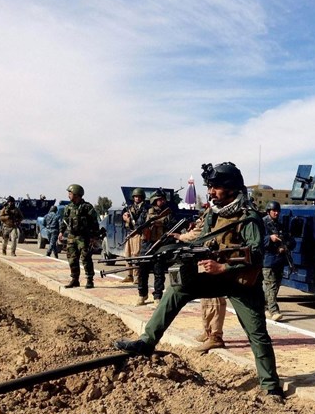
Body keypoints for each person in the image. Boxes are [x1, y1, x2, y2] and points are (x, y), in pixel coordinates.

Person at [114, 162, 285, 400]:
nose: (211, 192)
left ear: (231, 188)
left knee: (256, 332)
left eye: (215, 187)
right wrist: (176, 249)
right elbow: (203, 241)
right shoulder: (214, 213)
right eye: (210, 187)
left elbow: (255, 255)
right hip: (216, 277)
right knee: (177, 289)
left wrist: (223, 266)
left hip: (241, 282)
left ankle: (271, 385)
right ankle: (146, 342)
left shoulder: (248, 217)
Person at [172, 206, 228, 352]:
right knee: (205, 297)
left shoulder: (220, 212)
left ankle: (216, 336)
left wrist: (181, 237)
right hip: (205, 256)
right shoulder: (213, 211)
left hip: (214, 259)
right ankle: (208, 331)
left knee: (214, 299)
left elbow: (199, 234)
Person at [136, 190, 176, 305]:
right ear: (154, 200)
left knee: (159, 272)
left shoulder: (168, 213)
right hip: (146, 245)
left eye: (163, 199)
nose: (162, 201)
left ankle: (157, 296)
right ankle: (142, 294)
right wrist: (146, 226)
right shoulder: (146, 212)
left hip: (160, 245)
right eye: (159, 199)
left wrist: (161, 222)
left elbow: (173, 226)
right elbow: (138, 226)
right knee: (142, 272)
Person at [59, 184, 99, 289]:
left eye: (70, 193)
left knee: (86, 258)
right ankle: (75, 279)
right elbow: (64, 220)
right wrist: (61, 232)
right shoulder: (68, 207)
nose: (68, 195)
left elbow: (94, 222)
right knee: (72, 258)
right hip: (71, 236)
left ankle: (89, 280)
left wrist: (94, 237)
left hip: (84, 237)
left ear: (76, 194)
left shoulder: (87, 207)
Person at [262, 200, 293, 322]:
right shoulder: (262, 224)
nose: (276, 213)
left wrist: (285, 246)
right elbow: (257, 241)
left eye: (277, 211)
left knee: (275, 287)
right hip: (268, 260)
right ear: (268, 212)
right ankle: (274, 311)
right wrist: (270, 238)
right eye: (274, 211)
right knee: (271, 285)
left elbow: (290, 240)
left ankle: (264, 306)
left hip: (279, 260)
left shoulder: (280, 225)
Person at [122, 188, 149, 284]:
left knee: (136, 255)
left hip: (138, 234)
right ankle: (129, 275)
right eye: (135, 197)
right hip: (130, 233)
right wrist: (126, 220)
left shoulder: (145, 208)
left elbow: (142, 221)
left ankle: (137, 277)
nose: (137, 198)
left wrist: (133, 222)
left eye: (139, 197)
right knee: (127, 254)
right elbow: (124, 220)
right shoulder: (130, 208)